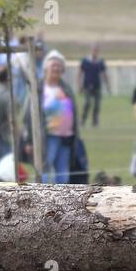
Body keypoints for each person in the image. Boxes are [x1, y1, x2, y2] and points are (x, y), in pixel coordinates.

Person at [28, 51, 77, 184]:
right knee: (45, 171)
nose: (56, 68)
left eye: (59, 66)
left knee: (63, 174)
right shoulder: (38, 88)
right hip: (48, 137)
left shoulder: (66, 88)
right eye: (53, 65)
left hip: (66, 137)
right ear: (46, 68)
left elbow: (73, 112)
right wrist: (29, 140)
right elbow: (29, 115)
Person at [77, 43, 110, 129]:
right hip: (87, 85)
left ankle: (95, 123)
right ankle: (82, 121)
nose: (95, 52)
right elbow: (80, 73)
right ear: (91, 50)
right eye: (93, 50)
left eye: (96, 50)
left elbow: (104, 74)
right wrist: (79, 85)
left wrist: (107, 85)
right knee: (87, 103)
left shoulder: (100, 61)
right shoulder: (85, 60)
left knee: (97, 104)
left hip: (97, 86)